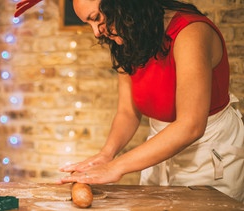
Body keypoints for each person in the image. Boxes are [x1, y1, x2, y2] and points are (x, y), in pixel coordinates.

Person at [57, 0, 244, 202]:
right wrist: (106, 154)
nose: (96, 32)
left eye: (96, 19)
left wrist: (116, 167)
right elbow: (128, 112)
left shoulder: (191, 31)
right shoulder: (130, 37)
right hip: (158, 151)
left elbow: (191, 125)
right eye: (89, 23)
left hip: (209, 152)